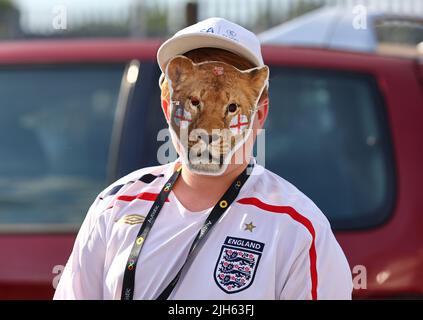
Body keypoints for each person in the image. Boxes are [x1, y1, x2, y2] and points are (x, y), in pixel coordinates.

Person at [54, 17, 352, 300]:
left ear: (259, 114)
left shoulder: (296, 230)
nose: (209, 129)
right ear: (167, 105)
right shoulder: (114, 207)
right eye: (194, 101)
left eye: (231, 106)